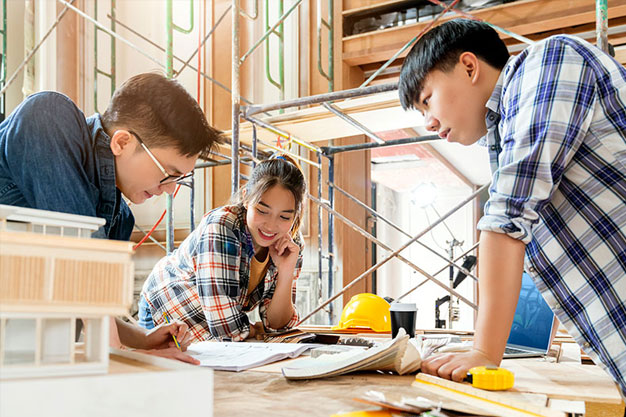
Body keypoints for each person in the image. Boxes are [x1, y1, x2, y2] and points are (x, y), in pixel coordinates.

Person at [398, 19, 626, 396]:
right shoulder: (503, 136)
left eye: (427, 100)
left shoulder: (548, 61)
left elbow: (506, 216)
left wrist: (484, 351)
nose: (428, 122)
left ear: (469, 67)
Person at [0, 72, 224, 363]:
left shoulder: (119, 217)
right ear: (122, 142)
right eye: (169, 174)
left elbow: (81, 300)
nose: (170, 189)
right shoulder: (49, 116)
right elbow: (77, 247)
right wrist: (123, 355)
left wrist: (139, 337)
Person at [139, 154, 306, 342]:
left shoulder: (290, 244)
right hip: (166, 310)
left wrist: (286, 271)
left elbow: (277, 325)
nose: (271, 225)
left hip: (212, 326)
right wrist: (253, 330)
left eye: (284, 217)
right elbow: (227, 331)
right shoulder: (221, 226)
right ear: (246, 199)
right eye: (262, 210)